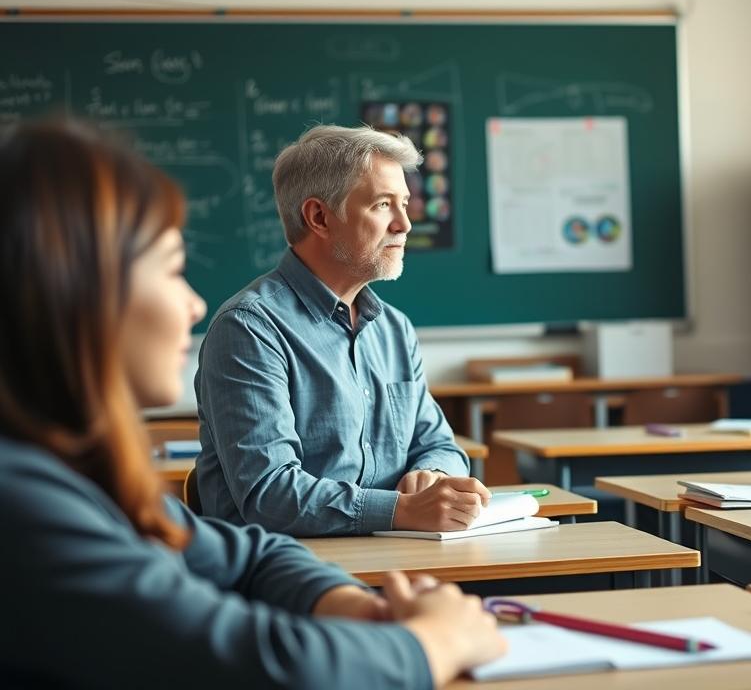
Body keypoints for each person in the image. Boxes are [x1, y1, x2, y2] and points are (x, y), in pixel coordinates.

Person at [0, 120, 504, 687]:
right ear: (74, 293)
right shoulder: (24, 502)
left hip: (383, 573)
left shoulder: (83, 474)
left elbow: (250, 554)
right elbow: (272, 663)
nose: (194, 305)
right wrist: (436, 641)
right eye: (171, 269)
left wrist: (359, 607)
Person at [196, 124, 487, 536]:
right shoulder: (249, 329)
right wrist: (401, 511)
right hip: (283, 574)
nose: (404, 224)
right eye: (384, 205)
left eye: (405, 203)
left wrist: (432, 473)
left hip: (397, 555)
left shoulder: (393, 329)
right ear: (319, 217)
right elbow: (269, 493)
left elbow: (440, 444)